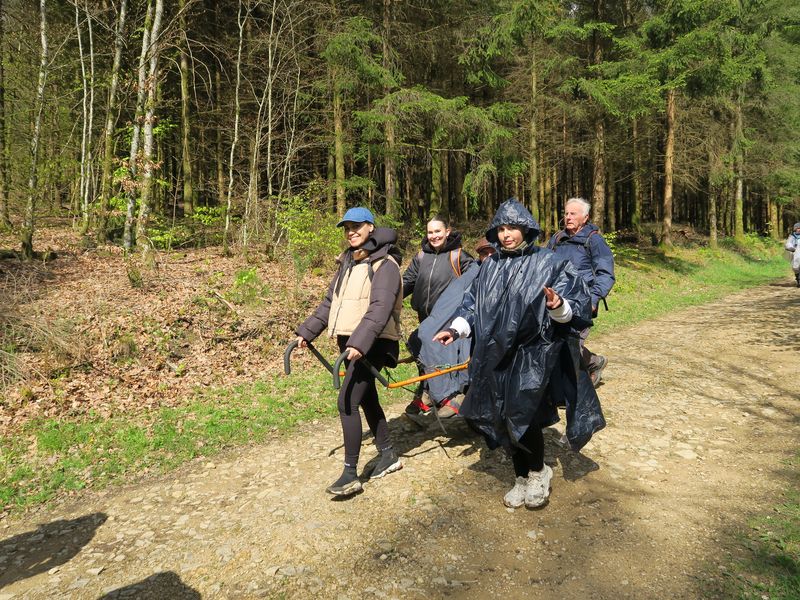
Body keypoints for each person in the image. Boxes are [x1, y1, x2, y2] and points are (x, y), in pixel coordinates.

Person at [434, 198, 605, 510]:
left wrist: (558, 306)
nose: (506, 234)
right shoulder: (491, 267)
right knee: (500, 417)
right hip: (496, 357)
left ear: (526, 228)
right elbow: (473, 304)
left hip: (533, 357)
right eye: (500, 228)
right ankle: (521, 477)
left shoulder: (548, 263)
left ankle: (539, 472)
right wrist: (456, 328)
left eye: (511, 227)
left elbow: (575, 307)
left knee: (524, 419)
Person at [294, 207, 404, 497]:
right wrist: (306, 332)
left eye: (357, 226)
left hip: (374, 342)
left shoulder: (386, 264)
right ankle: (388, 454)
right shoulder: (348, 262)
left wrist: (360, 342)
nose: (351, 231)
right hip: (351, 344)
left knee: (346, 401)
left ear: (370, 227)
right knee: (366, 398)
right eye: (347, 227)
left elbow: (379, 309)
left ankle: (350, 474)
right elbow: (330, 303)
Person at [402, 216, 473, 418]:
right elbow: (407, 281)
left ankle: (450, 395)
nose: (433, 236)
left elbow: (474, 283)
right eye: (430, 232)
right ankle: (427, 392)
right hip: (424, 315)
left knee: (447, 358)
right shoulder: (421, 257)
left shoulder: (458, 255)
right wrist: (390, 296)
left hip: (448, 319)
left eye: (437, 231)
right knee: (423, 353)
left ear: (447, 231)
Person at [547, 198, 615, 387]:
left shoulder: (594, 240)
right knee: (556, 342)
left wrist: (593, 299)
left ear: (585, 218)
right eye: (566, 213)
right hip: (557, 301)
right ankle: (592, 362)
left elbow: (606, 273)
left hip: (582, 301)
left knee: (571, 344)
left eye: (573, 214)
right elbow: (545, 267)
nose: (568, 217)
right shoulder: (557, 239)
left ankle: (593, 363)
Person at [784, 222, 800, 287]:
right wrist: (791, 248)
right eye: (798, 228)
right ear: (795, 229)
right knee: (795, 267)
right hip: (796, 254)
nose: (799, 229)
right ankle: (798, 279)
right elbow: (788, 243)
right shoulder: (792, 236)